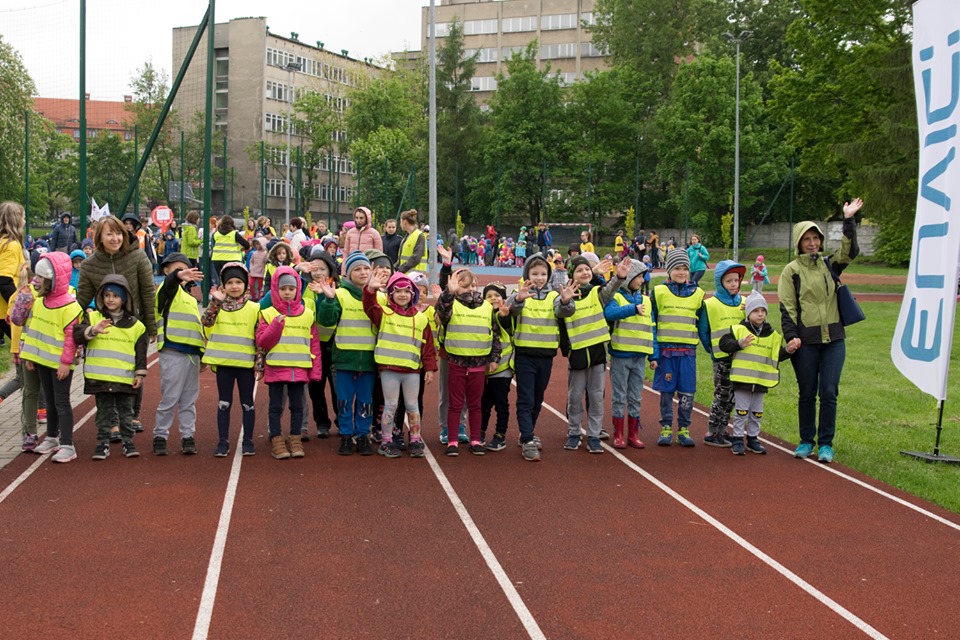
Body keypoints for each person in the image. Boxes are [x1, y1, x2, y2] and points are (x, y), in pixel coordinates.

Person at [779, 198, 862, 463]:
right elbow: (788, 307)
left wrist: (848, 219)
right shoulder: (790, 271)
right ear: (799, 243)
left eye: (816, 238)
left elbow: (850, 251)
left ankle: (826, 443)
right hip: (806, 341)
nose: (813, 243)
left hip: (834, 339)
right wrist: (792, 336)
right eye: (807, 239)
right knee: (807, 392)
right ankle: (806, 440)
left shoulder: (830, 264)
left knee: (829, 391)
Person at [77, 215, 157, 433]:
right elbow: (81, 298)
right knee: (107, 372)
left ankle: (131, 415)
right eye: (109, 234)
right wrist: (72, 326)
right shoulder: (90, 265)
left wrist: (151, 326)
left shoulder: (137, 257)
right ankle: (111, 420)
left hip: (133, 324)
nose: (115, 238)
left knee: (133, 368)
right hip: (105, 326)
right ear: (99, 237)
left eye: (119, 233)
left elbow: (148, 292)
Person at [11, 252, 82, 463]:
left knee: (61, 402)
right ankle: (52, 437)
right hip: (42, 361)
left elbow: (71, 340)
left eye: (40, 278)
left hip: (60, 365)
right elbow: (34, 331)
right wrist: (30, 356)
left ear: (53, 279)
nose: (35, 281)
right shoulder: (40, 301)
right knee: (49, 402)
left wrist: (65, 363)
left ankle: (68, 443)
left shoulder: (70, 306)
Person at [507, 254, 576, 461]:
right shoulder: (518, 294)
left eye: (543, 274)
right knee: (526, 398)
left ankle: (527, 432)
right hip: (525, 354)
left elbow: (566, 311)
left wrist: (565, 301)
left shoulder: (554, 297)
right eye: (534, 273)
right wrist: (519, 298)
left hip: (546, 355)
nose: (539, 278)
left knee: (538, 398)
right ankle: (528, 439)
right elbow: (512, 309)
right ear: (526, 274)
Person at [362, 271, 437, 458]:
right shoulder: (384, 314)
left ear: (413, 294)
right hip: (389, 370)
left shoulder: (420, 318)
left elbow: (427, 345)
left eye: (407, 291)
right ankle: (386, 441)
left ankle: (415, 439)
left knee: (412, 406)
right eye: (398, 291)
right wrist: (370, 290)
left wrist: (429, 368)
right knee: (391, 405)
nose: (402, 294)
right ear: (391, 294)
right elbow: (369, 306)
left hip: (412, 370)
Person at [74, 275, 148, 459]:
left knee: (126, 412)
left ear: (124, 299)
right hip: (100, 378)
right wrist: (92, 330)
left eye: (115, 296)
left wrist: (139, 374)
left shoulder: (136, 326)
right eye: (107, 295)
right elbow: (77, 336)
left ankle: (128, 442)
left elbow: (141, 353)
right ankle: (102, 443)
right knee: (104, 413)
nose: (110, 299)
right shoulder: (92, 317)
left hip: (125, 378)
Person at [719, 292, 801, 455]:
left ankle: (753, 438)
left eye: (763, 310)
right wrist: (739, 343)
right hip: (742, 381)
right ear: (748, 313)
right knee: (741, 411)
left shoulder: (772, 335)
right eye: (756, 310)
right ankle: (737, 439)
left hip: (761, 381)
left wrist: (788, 350)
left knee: (757, 412)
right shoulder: (739, 329)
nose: (760, 314)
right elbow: (724, 344)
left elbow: (776, 355)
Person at [434, 266, 502, 456]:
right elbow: (441, 310)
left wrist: (495, 358)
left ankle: (475, 440)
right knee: (455, 403)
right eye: (464, 287)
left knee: (475, 404)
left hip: (478, 364)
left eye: (473, 285)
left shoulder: (487, 307)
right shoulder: (451, 304)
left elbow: (494, 334)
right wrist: (449, 292)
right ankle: (452, 440)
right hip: (456, 361)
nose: (470, 290)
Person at [256, 266, 322, 459]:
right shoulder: (268, 313)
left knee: (297, 406)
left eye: (291, 289)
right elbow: (262, 341)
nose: (287, 292)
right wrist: (276, 325)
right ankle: (276, 439)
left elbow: (314, 344)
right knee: (276, 406)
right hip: (277, 369)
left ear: (297, 290)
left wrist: (315, 371)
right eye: (283, 288)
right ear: (276, 289)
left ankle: (295, 438)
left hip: (299, 370)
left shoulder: (307, 314)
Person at [316, 251, 378, 456]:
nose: (362, 272)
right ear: (349, 274)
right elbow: (326, 321)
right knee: (343, 400)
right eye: (357, 269)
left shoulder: (380, 295)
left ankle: (362, 435)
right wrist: (329, 300)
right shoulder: (340, 294)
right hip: (343, 360)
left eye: (366, 268)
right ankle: (345, 434)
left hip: (368, 360)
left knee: (365, 401)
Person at [561, 255, 624, 453]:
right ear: (572, 275)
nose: (585, 273)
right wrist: (564, 301)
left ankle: (594, 435)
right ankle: (573, 433)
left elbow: (610, 290)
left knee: (596, 397)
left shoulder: (598, 293)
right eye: (579, 270)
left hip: (597, 354)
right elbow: (560, 310)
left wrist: (619, 278)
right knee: (574, 397)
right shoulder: (566, 296)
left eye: (587, 269)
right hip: (577, 354)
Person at [649, 249, 708, 447]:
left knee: (687, 392)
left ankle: (684, 428)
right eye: (677, 268)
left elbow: (703, 326)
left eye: (685, 268)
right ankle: (666, 427)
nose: (681, 272)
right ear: (669, 270)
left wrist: (711, 348)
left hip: (688, 354)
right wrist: (653, 353)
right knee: (666, 392)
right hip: (666, 354)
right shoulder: (658, 292)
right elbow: (652, 324)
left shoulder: (698, 294)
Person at [202, 263, 262, 457]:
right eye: (229, 283)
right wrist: (215, 303)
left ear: (245, 284)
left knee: (248, 404)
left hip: (245, 366)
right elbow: (206, 321)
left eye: (238, 282)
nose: (234, 286)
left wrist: (259, 364)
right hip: (224, 365)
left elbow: (259, 337)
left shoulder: (254, 308)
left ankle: (248, 441)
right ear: (223, 285)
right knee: (224, 403)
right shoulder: (217, 305)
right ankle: (223, 441)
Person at [152, 252, 205, 456]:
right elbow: (170, 285)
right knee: (170, 398)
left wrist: (201, 355)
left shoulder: (190, 299)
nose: (183, 273)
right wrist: (175, 277)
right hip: (172, 351)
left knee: (189, 399)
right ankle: (160, 435)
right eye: (177, 269)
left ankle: (187, 436)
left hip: (191, 354)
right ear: (166, 271)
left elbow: (195, 328)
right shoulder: (166, 292)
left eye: (186, 269)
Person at [604, 259, 653, 449]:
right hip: (621, 356)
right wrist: (632, 309)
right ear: (629, 278)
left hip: (640, 356)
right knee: (619, 395)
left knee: (635, 396)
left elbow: (652, 328)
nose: (642, 281)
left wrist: (654, 355)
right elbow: (610, 314)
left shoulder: (646, 300)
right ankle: (618, 434)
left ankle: (633, 433)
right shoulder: (616, 297)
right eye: (639, 277)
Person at [702, 260, 747, 447]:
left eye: (736, 280)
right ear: (720, 282)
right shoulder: (710, 304)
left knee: (733, 397)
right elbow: (704, 331)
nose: (733, 284)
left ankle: (723, 429)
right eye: (729, 281)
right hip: (721, 358)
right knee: (722, 395)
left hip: (740, 358)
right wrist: (712, 350)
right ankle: (713, 432)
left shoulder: (744, 303)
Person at [480, 282, 514, 451]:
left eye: (497, 295)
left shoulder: (505, 314)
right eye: (489, 296)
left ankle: (500, 435)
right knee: (483, 403)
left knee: (501, 403)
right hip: (484, 368)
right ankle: (480, 432)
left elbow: (507, 323)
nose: (493, 298)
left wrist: (505, 316)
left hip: (503, 368)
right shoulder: (481, 315)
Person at [0, 201, 26, 342]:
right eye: (23, 217)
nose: (25, 221)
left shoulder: (3, 241)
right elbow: (4, 280)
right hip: (6, 310)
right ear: (16, 220)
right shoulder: (11, 245)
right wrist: (19, 306)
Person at [210, 216, 250, 287]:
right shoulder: (234, 234)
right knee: (230, 279)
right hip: (232, 259)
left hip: (217, 259)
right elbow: (246, 245)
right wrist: (242, 249)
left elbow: (213, 246)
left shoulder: (216, 234)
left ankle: (221, 293)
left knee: (221, 279)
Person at [397, 209, 427, 273]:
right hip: (406, 276)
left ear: (405, 222)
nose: (400, 224)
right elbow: (400, 260)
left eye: (400, 221)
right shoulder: (406, 238)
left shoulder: (419, 236)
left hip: (416, 278)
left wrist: (400, 269)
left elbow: (416, 258)